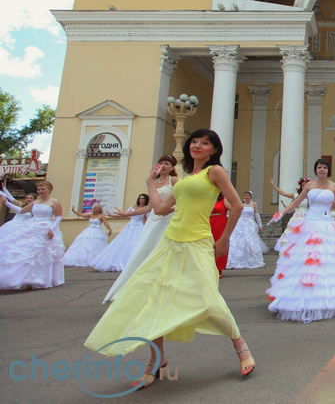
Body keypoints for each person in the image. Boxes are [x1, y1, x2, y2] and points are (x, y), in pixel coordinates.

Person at [85, 129, 255, 388]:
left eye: (205, 143)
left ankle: (240, 346)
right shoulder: (185, 179)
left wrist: (224, 239)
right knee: (152, 301)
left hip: (197, 242)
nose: (197, 146)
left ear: (214, 150)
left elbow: (238, 206)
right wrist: (151, 184)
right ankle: (157, 361)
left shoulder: (215, 172)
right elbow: (161, 209)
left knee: (207, 300)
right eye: (194, 142)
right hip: (170, 243)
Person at [266, 158, 335, 323]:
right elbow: (296, 202)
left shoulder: (334, 187)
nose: (322, 169)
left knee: (326, 261)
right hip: (309, 225)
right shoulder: (309, 186)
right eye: (319, 167)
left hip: (327, 225)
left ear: (328, 170)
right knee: (305, 261)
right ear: (315, 170)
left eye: (324, 167)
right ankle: (301, 297)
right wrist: (280, 214)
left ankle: (327, 299)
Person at [103, 155, 179, 304]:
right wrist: (127, 213)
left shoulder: (174, 181)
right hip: (153, 221)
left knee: (164, 254)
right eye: (161, 162)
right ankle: (136, 291)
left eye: (167, 164)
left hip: (167, 220)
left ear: (172, 168)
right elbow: (149, 207)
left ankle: (164, 291)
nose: (163, 166)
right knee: (143, 252)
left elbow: (182, 200)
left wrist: (169, 210)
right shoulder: (154, 182)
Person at [0, 180, 65, 290]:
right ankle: (28, 280)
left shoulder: (54, 202)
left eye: (43, 189)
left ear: (49, 190)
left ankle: (40, 280)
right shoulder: (35, 202)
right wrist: (6, 201)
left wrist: (52, 229)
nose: (40, 191)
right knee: (29, 254)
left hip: (47, 228)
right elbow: (21, 211)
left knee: (44, 255)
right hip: (33, 227)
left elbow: (59, 216)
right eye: (39, 189)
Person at [93, 194, 150, 272]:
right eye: (140, 198)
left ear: (146, 200)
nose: (141, 200)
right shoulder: (133, 207)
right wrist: (113, 216)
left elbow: (146, 219)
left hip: (139, 227)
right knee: (123, 243)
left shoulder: (147, 208)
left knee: (135, 244)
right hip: (130, 226)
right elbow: (124, 214)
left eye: (143, 199)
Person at [227, 190, 266, 270]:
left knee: (250, 241)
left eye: (248, 195)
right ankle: (237, 260)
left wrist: (260, 225)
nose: (246, 197)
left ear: (250, 196)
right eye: (245, 195)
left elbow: (256, 215)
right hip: (241, 224)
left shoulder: (254, 204)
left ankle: (251, 260)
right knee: (238, 241)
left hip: (250, 224)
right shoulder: (241, 205)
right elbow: (236, 214)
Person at [270, 177, 310, 252]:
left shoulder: (311, 195)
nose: (304, 187)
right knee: (292, 234)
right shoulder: (296, 195)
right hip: (296, 217)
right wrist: (273, 185)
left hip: (307, 216)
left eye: (306, 185)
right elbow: (283, 193)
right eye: (303, 185)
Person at [209, 193, 231, 277]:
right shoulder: (209, 199)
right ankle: (209, 268)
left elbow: (233, 209)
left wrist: (228, 219)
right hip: (209, 221)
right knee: (209, 245)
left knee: (219, 244)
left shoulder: (224, 199)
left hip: (220, 222)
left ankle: (218, 269)